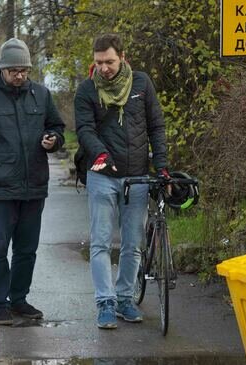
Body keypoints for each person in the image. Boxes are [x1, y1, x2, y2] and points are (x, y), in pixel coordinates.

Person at [0, 38, 65, 325]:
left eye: (24, 70)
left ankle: (19, 300)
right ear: (2, 69)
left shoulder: (41, 95)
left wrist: (53, 141)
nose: (20, 75)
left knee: (26, 249)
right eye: (14, 71)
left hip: (34, 186)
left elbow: (57, 127)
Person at [74, 33, 169, 329]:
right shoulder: (87, 91)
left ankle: (125, 298)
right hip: (102, 174)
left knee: (133, 243)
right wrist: (101, 152)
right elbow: (85, 130)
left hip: (138, 175)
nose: (104, 68)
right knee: (101, 242)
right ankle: (105, 302)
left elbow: (156, 126)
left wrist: (162, 167)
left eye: (110, 61)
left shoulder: (141, 84)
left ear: (123, 58)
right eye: (99, 62)